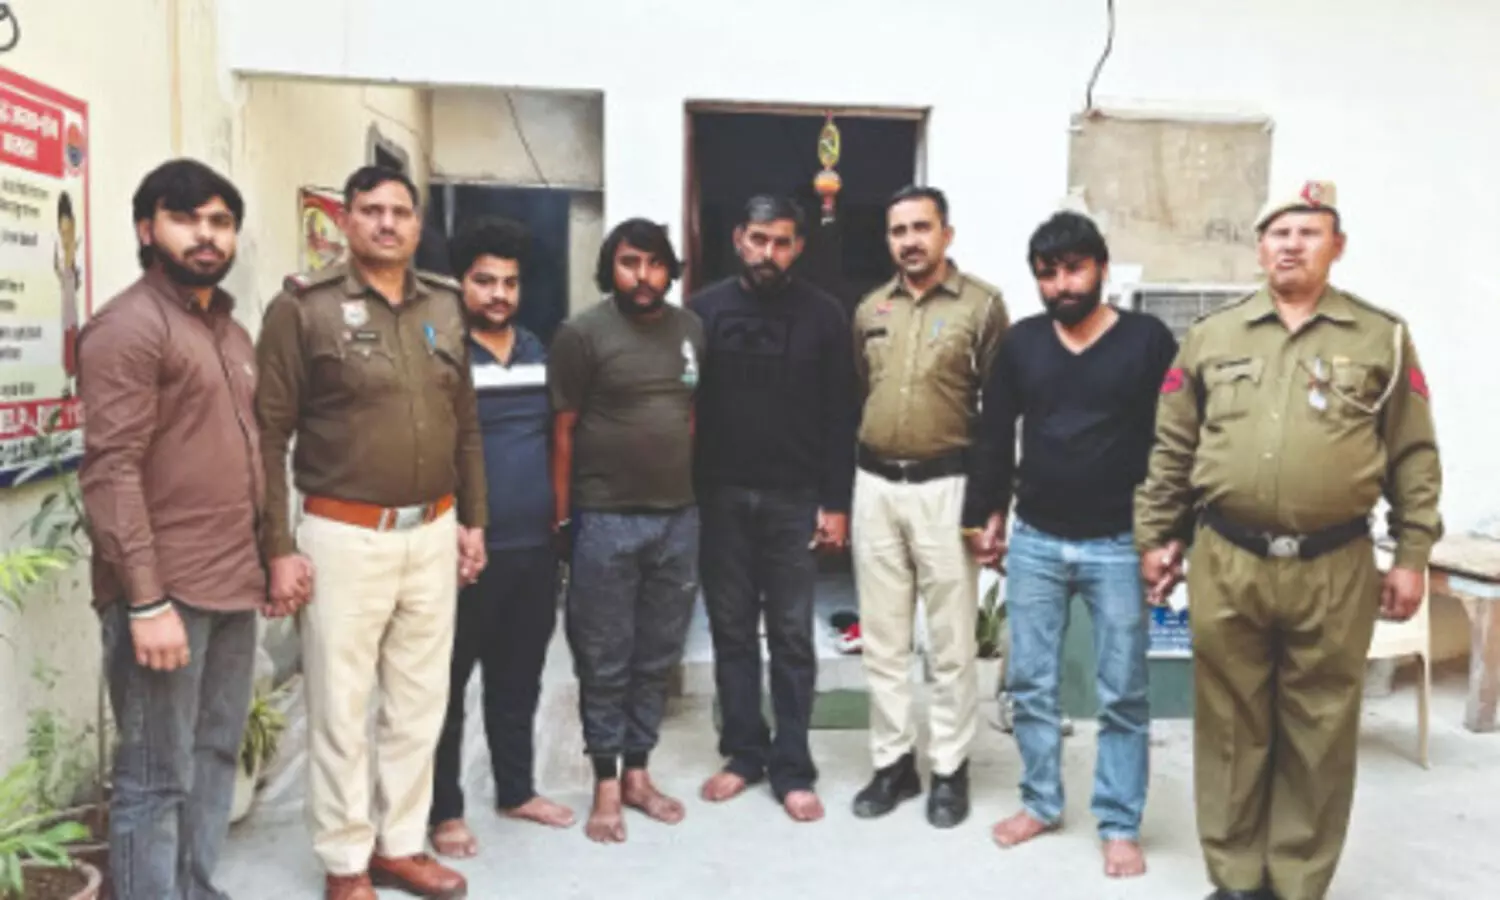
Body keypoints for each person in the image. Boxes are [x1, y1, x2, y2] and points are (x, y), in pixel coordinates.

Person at [1135, 180, 1442, 900]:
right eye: (1279, 233)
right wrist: (1158, 535)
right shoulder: (1212, 335)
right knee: (1230, 726)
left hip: (1334, 563)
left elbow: (1413, 455)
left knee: (1319, 727)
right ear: (1259, 248)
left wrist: (1412, 555)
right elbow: (1174, 447)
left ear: (1337, 246)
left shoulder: (1381, 336)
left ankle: (1298, 881)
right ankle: (1237, 878)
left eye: (1309, 232)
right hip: (1228, 558)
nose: (1292, 246)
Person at [255, 166, 487, 900]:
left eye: (400, 211)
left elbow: (466, 423)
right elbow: (268, 435)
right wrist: (278, 546)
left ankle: (401, 845)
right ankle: (346, 859)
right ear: (346, 220)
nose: (388, 223)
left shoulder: (445, 305)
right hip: (344, 534)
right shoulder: (302, 310)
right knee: (341, 705)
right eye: (371, 210)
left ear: (417, 224)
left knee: (419, 702)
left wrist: (474, 521)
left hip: (434, 530)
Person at [963, 211, 1176, 877]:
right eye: (1048, 274)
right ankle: (1041, 802)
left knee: (1123, 692)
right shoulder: (1023, 343)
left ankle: (1119, 822)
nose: (1062, 285)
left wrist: (1166, 534)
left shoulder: (1146, 341)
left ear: (1102, 268)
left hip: (1120, 542)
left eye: (1075, 269)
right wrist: (987, 513)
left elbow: (1174, 441)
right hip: (1036, 539)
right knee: (1031, 684)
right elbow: (995, 432)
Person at [77, 158, 265, 900]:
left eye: (220, 221)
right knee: (156, 777)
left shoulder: (230, 332)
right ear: (146, 229)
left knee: (215, 755)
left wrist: (271, 558)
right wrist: (146, 601)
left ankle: (196, 889)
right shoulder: (129, 327)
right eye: (186, 218)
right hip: (166, 593)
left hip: (232, 582)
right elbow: (111, 470)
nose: (206, 235)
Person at [689, 195, 857, 823]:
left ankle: (792, 766)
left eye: (782, 242)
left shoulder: (825, 316)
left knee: (790, 636)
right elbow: (682, 407)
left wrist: (836, 502)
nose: (769, 253)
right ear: (739, 238)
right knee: (731, 630)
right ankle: (743, 754)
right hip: (720, 496)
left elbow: (841, 415)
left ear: (799, 246)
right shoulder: (702, 311)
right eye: (759, 239)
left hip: (794, 499)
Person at [849, 185, 1010, 828]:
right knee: (883, 640)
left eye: (921, 227)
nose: (910, 241)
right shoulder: (870, 308)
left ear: (947, 233)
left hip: (949, 487)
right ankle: (893, 764)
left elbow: (999, 412)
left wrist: (991, 503)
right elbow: (862, 390)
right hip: (875, 486)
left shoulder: (982, 306)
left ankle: (949, 768)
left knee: (950, 641)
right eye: (898, 231)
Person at [548, 218, 705, 844]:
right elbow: (563, 431)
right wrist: (564, 519)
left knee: (657, 655)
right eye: (630, 262)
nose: (644, 276)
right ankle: (605, 784)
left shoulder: (690, 330)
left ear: (670, 270)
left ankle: (639, 772)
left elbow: (689, 414)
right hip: (605, 519)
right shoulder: (582, 334)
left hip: (678, 518)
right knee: (603, 656)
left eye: (655, 263)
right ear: (610, 267)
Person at [428, 217, 575, 859]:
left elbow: (558, 440)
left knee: (519, 680)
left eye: (509, 283)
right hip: (461, 552)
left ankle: (516, 790)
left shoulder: (539, 351)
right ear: (460, 283)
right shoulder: (443, 352)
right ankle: (444, 810)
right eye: (485, 281)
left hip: (533, 550)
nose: (498, 294)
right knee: (446, 687)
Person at [56, 190, 82, 384]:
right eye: (62, 227)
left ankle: (72, 372)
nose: (66, 232)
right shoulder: (59, 251)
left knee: (72, 330)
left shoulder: (75, 247)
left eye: (69, 226)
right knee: (68, 330)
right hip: (66, 303)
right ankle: (68, 374)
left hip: (72, 304)